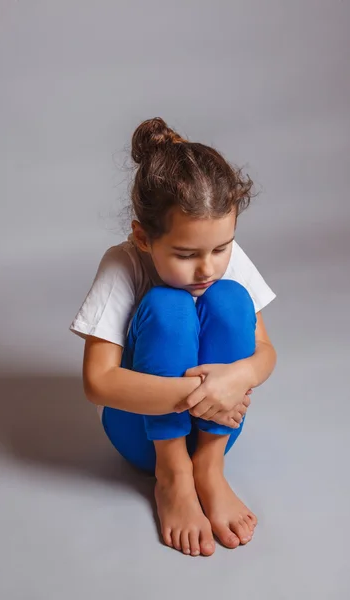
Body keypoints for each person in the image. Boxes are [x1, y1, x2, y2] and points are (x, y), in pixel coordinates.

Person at [70, 117, 277, 558]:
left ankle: (208, 466)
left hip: (217, 426)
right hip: (143, 434)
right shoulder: (122, 264)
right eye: (186, 254)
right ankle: (174, 476)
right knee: (170, 307)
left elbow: (265, 354)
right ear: (143, 237)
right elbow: (98, 383)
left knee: (231, 298)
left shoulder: (223, 260)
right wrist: (198, 392)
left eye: (221, 248)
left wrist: (236, 378)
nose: (208, 267)